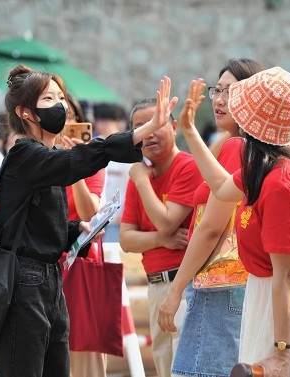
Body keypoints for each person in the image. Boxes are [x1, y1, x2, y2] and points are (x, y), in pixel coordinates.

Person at [0, 64, 177, 377]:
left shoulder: (42, 156)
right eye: (48, 99)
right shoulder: (25, 153)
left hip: (50, 280)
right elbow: (85, 157)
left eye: (61, 97)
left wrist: (74, 229)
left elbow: (35, 225)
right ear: (25, 113)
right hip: (25, 283)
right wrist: (144, 131)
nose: (61, 106)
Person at [172, 67, 290, 376]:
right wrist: (189, 130)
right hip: (272, 292)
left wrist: (282, 351)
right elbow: (221, 187)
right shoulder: (267, 164)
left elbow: (287, 277)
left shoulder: (281, 181)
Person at [157, 58, 264, 377]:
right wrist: (188, 129)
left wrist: (174, 290)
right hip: (235, 284)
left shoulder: (236, 146)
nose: (219, 99)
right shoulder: (246, 146)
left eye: (231, 92)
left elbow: (211, 228)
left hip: (219, 286)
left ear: (252, 100)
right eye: (218, 90)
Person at [119, 98, 203, 377]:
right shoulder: (139, 177)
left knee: (185, 367)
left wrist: (142, 181)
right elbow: (127, 240)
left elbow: (167, 223)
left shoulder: (188, 167)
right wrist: (160, 240)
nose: (148, 132)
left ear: (175, 126)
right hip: (155, 286)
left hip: (186, 285)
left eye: (155, 123)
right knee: (164, 366)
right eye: (139, 127)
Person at [60, 94, 109, 377]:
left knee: (85, 351)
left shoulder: (91, 162)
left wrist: (74, 165)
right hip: (44, 263)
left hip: (80, 263)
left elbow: (90, 211)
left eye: (70, 117)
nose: (65, 123)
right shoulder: (36, 158)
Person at [93, 103, 130, 242]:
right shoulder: (93, 145)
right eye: (99, 119)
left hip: (119, 217)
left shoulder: (127, 148)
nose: (102, 124)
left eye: (106, 120)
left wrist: (127, 212)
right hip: (96, 217)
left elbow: (131, 183)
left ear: (118, 122)